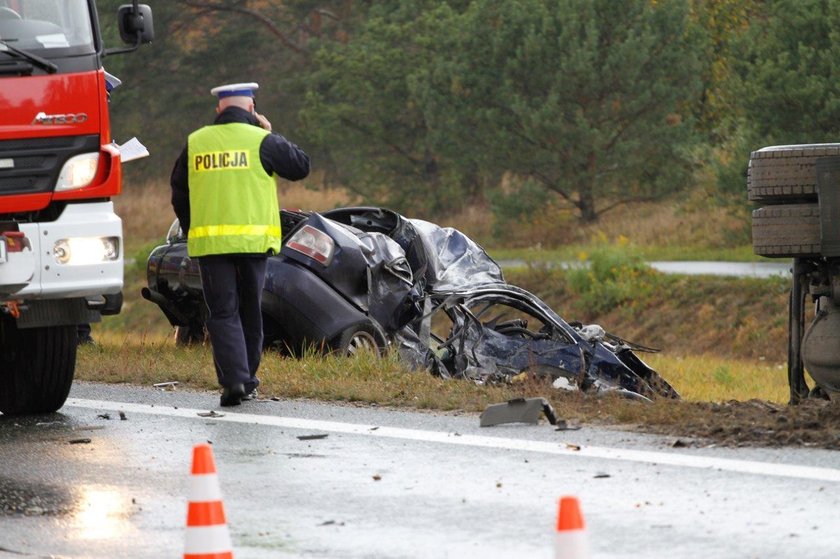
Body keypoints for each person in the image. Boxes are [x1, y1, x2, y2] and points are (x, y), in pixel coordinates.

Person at [170, 82, 310, 406]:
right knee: (250, 310)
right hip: (253, 243)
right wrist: (269, 132)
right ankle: (247, 380)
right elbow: (301, 166)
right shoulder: (262, 140)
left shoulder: (197, 142)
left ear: (219, 110)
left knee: (222, 312)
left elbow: (179, 193)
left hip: (212, 245)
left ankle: (233, 381)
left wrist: (195, 227)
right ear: (251, 109)